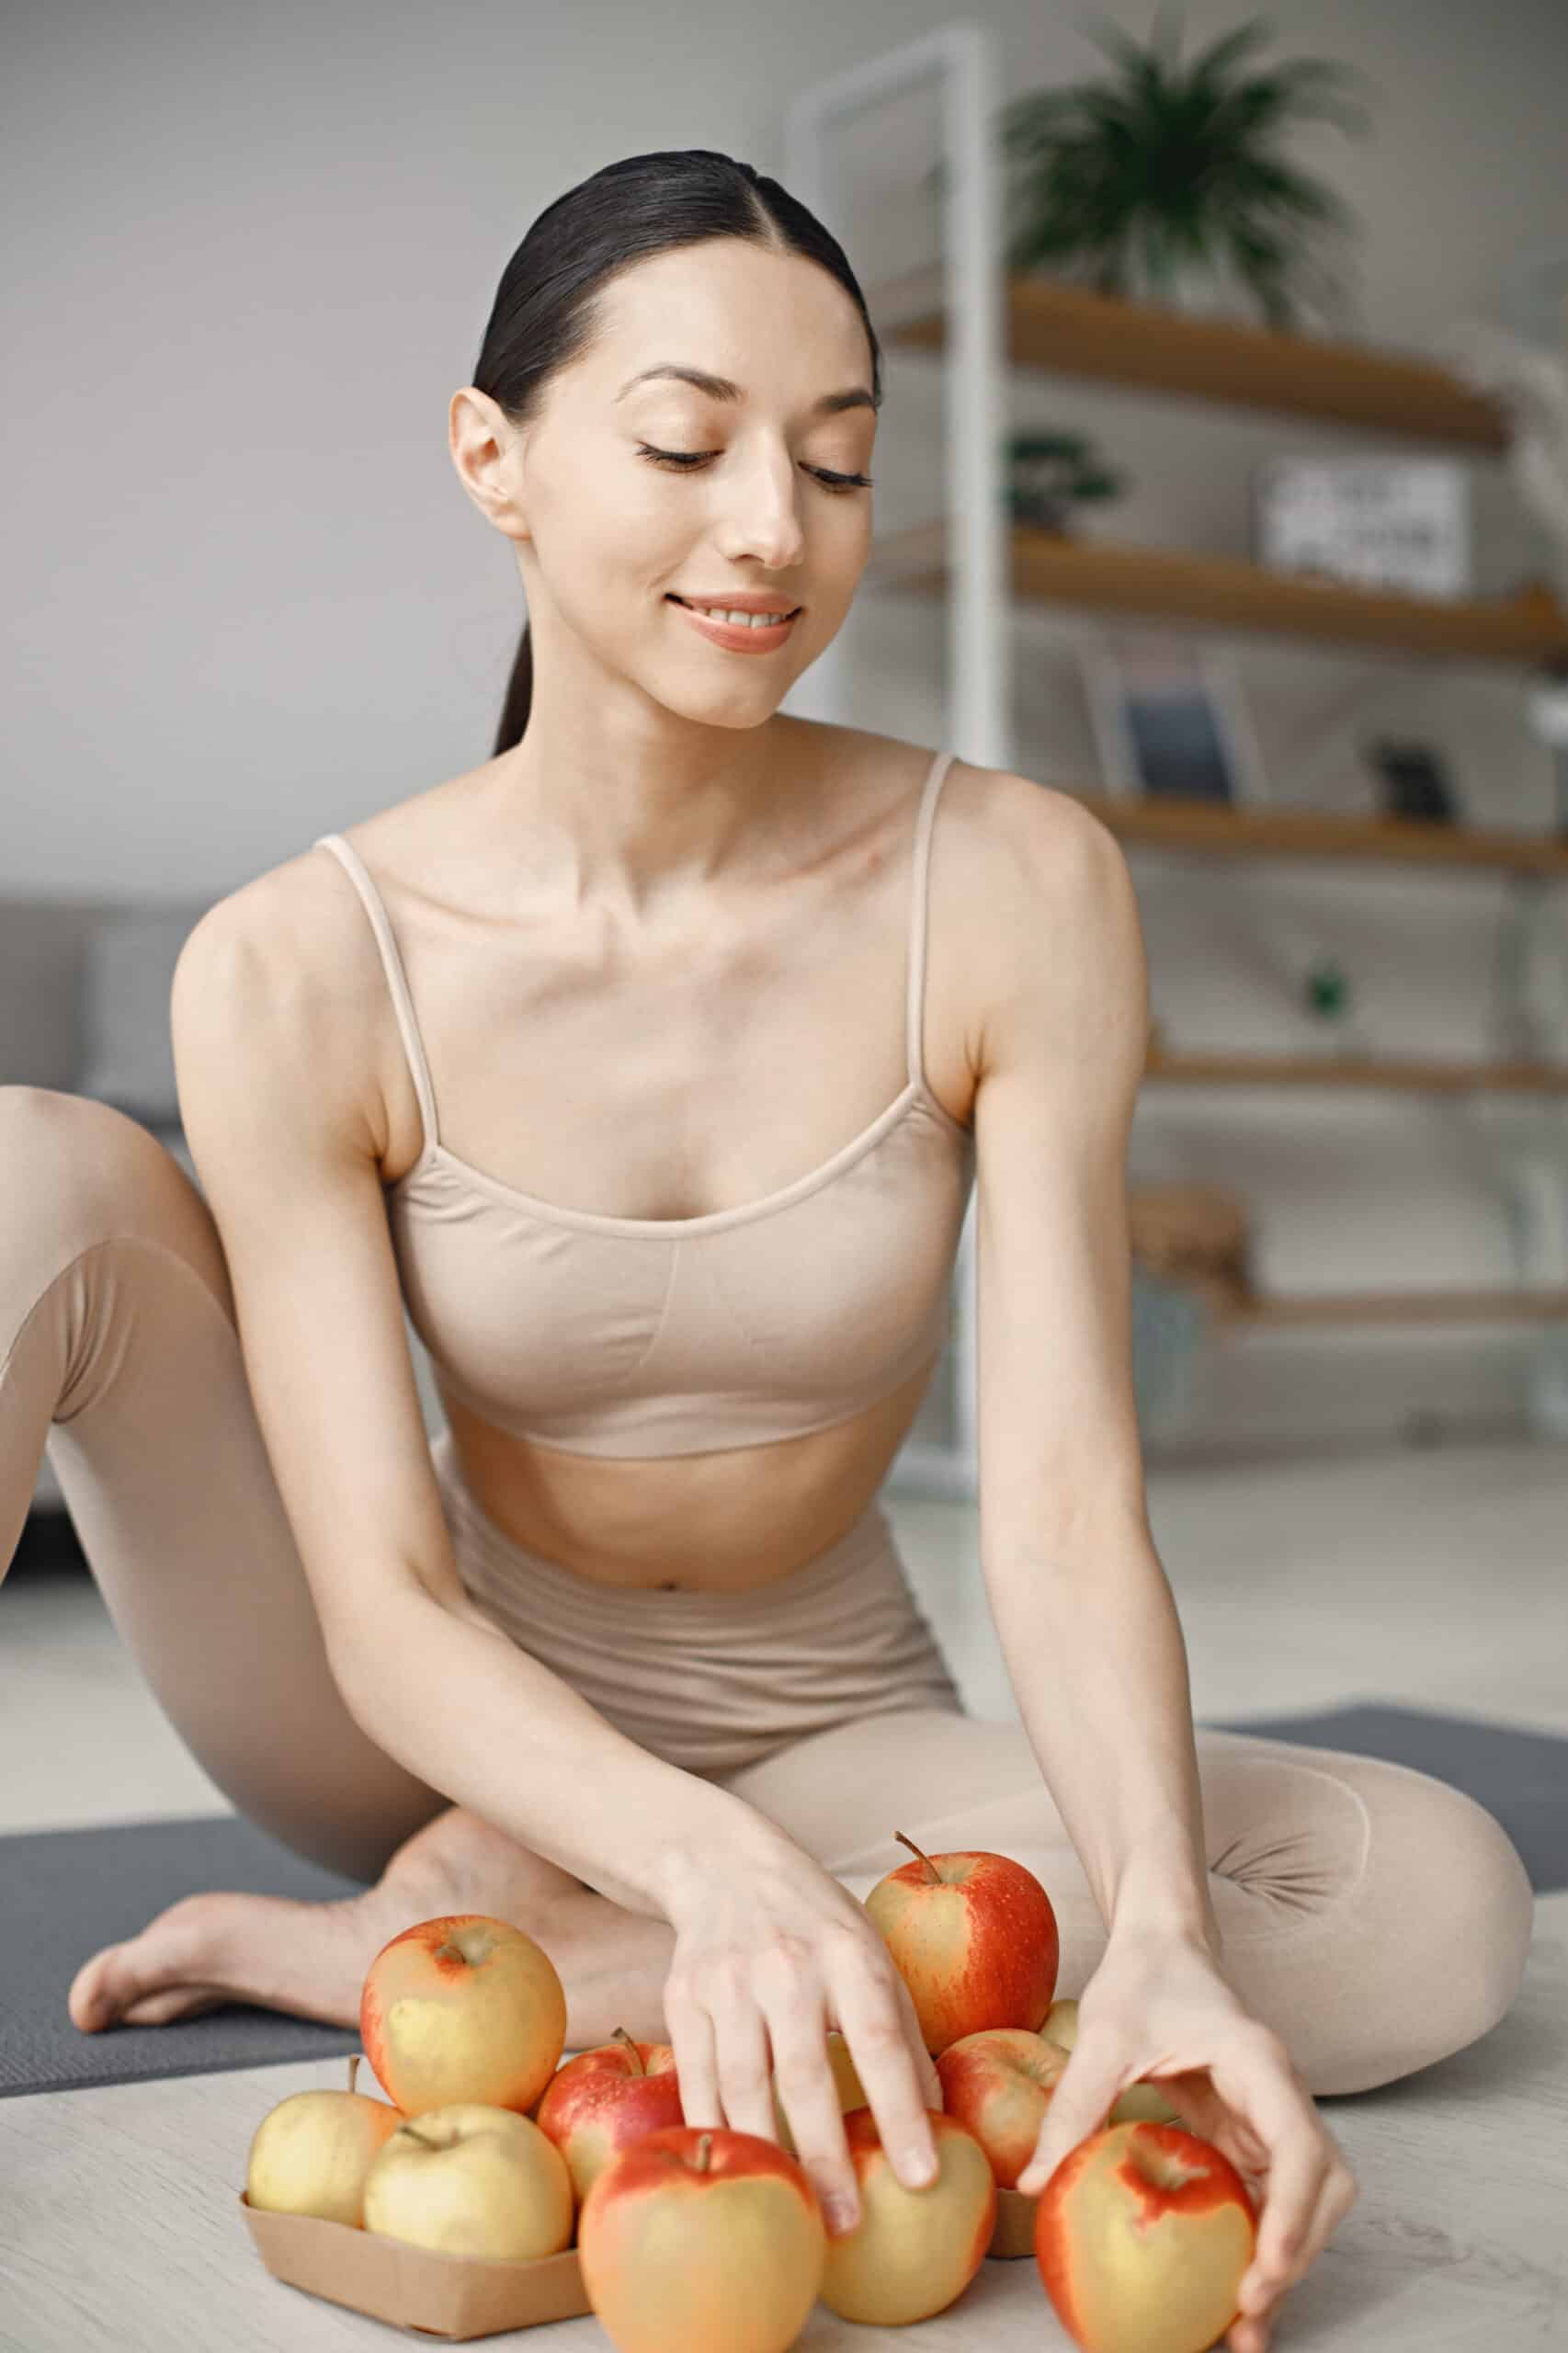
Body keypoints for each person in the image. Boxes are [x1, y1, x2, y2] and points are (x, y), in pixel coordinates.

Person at [1, 151, 1533, 2353]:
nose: (771, 531)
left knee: (1428, 1910)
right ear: (493, 456)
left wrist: (1174, 1933)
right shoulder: (296, 962)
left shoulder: (1012, 881)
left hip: (826, 1729)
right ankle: (545, 1893)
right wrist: (701, 1872)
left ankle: (418, 1956)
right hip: (417, 1702)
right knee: (20, 1177)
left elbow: (1065, 1504)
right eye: (686, 442)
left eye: (833, 464)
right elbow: (376, 1597)